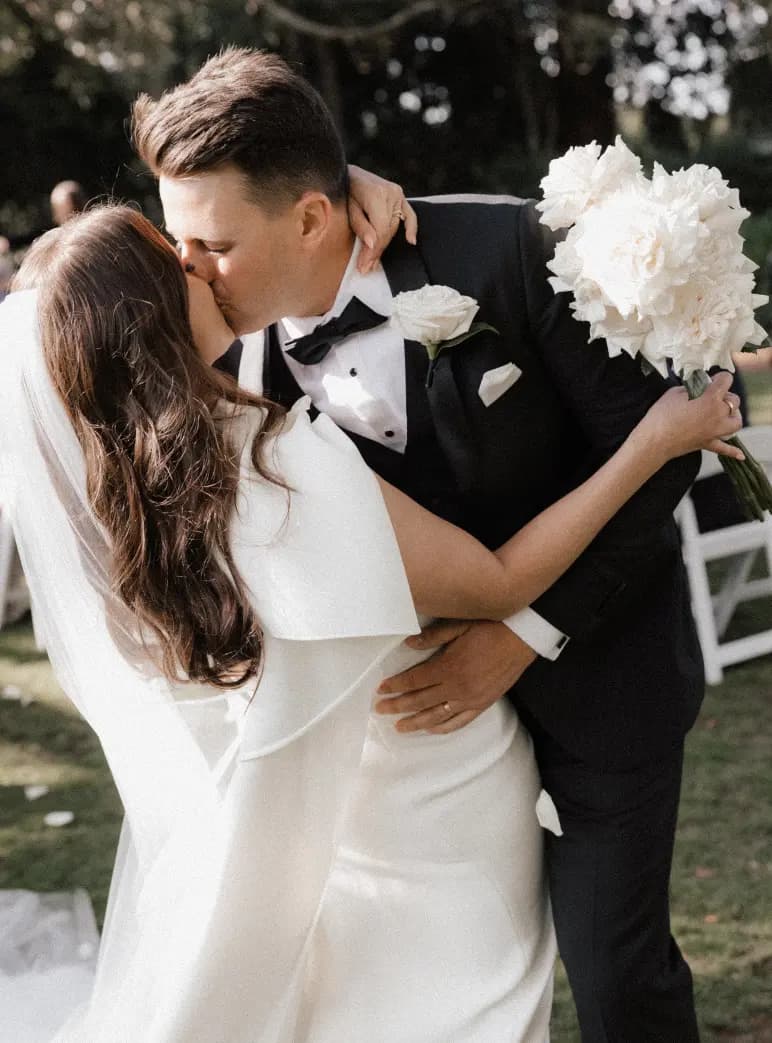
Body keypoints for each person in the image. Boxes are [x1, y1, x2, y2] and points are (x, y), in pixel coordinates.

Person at [0, 205, 741, 1042]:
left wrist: (340, 181)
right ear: (153, 319)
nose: (197, 260)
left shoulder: (131, 510)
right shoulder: (279, 464)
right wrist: (651, 443)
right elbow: (498, 583)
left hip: (340, 827)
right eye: (174, 260)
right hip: (443, 799)